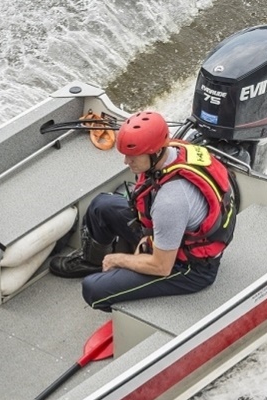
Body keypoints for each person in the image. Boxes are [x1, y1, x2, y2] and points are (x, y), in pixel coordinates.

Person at [48, 109, 237, 309]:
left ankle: (127, 303)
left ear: (154, 152)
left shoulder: (171, 201)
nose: (126, 161)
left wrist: (119, 259)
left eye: (133, 157)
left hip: (189, 266)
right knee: (101, 206)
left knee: (93, 290)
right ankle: (92, 262)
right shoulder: (172, 151)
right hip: (171, 230)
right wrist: (148, 236)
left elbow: (161, 266)